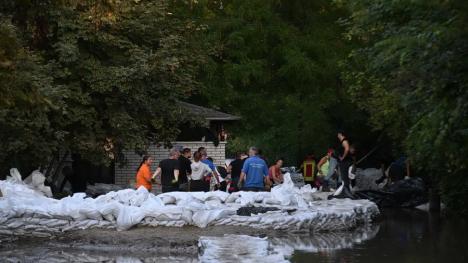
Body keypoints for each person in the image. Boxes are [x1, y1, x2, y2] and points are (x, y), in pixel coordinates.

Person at [334, 131, 354, 198]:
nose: (337, 136)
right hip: (346, 161)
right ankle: (346, 191)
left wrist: (343, 157)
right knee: (345, 178)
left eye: (338, 135)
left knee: (345, 177)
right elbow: (350, 150)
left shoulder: (344, 141)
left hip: (345, 162)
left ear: (341, 134)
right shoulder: (345, 141)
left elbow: (347, 149)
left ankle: (346, 192)